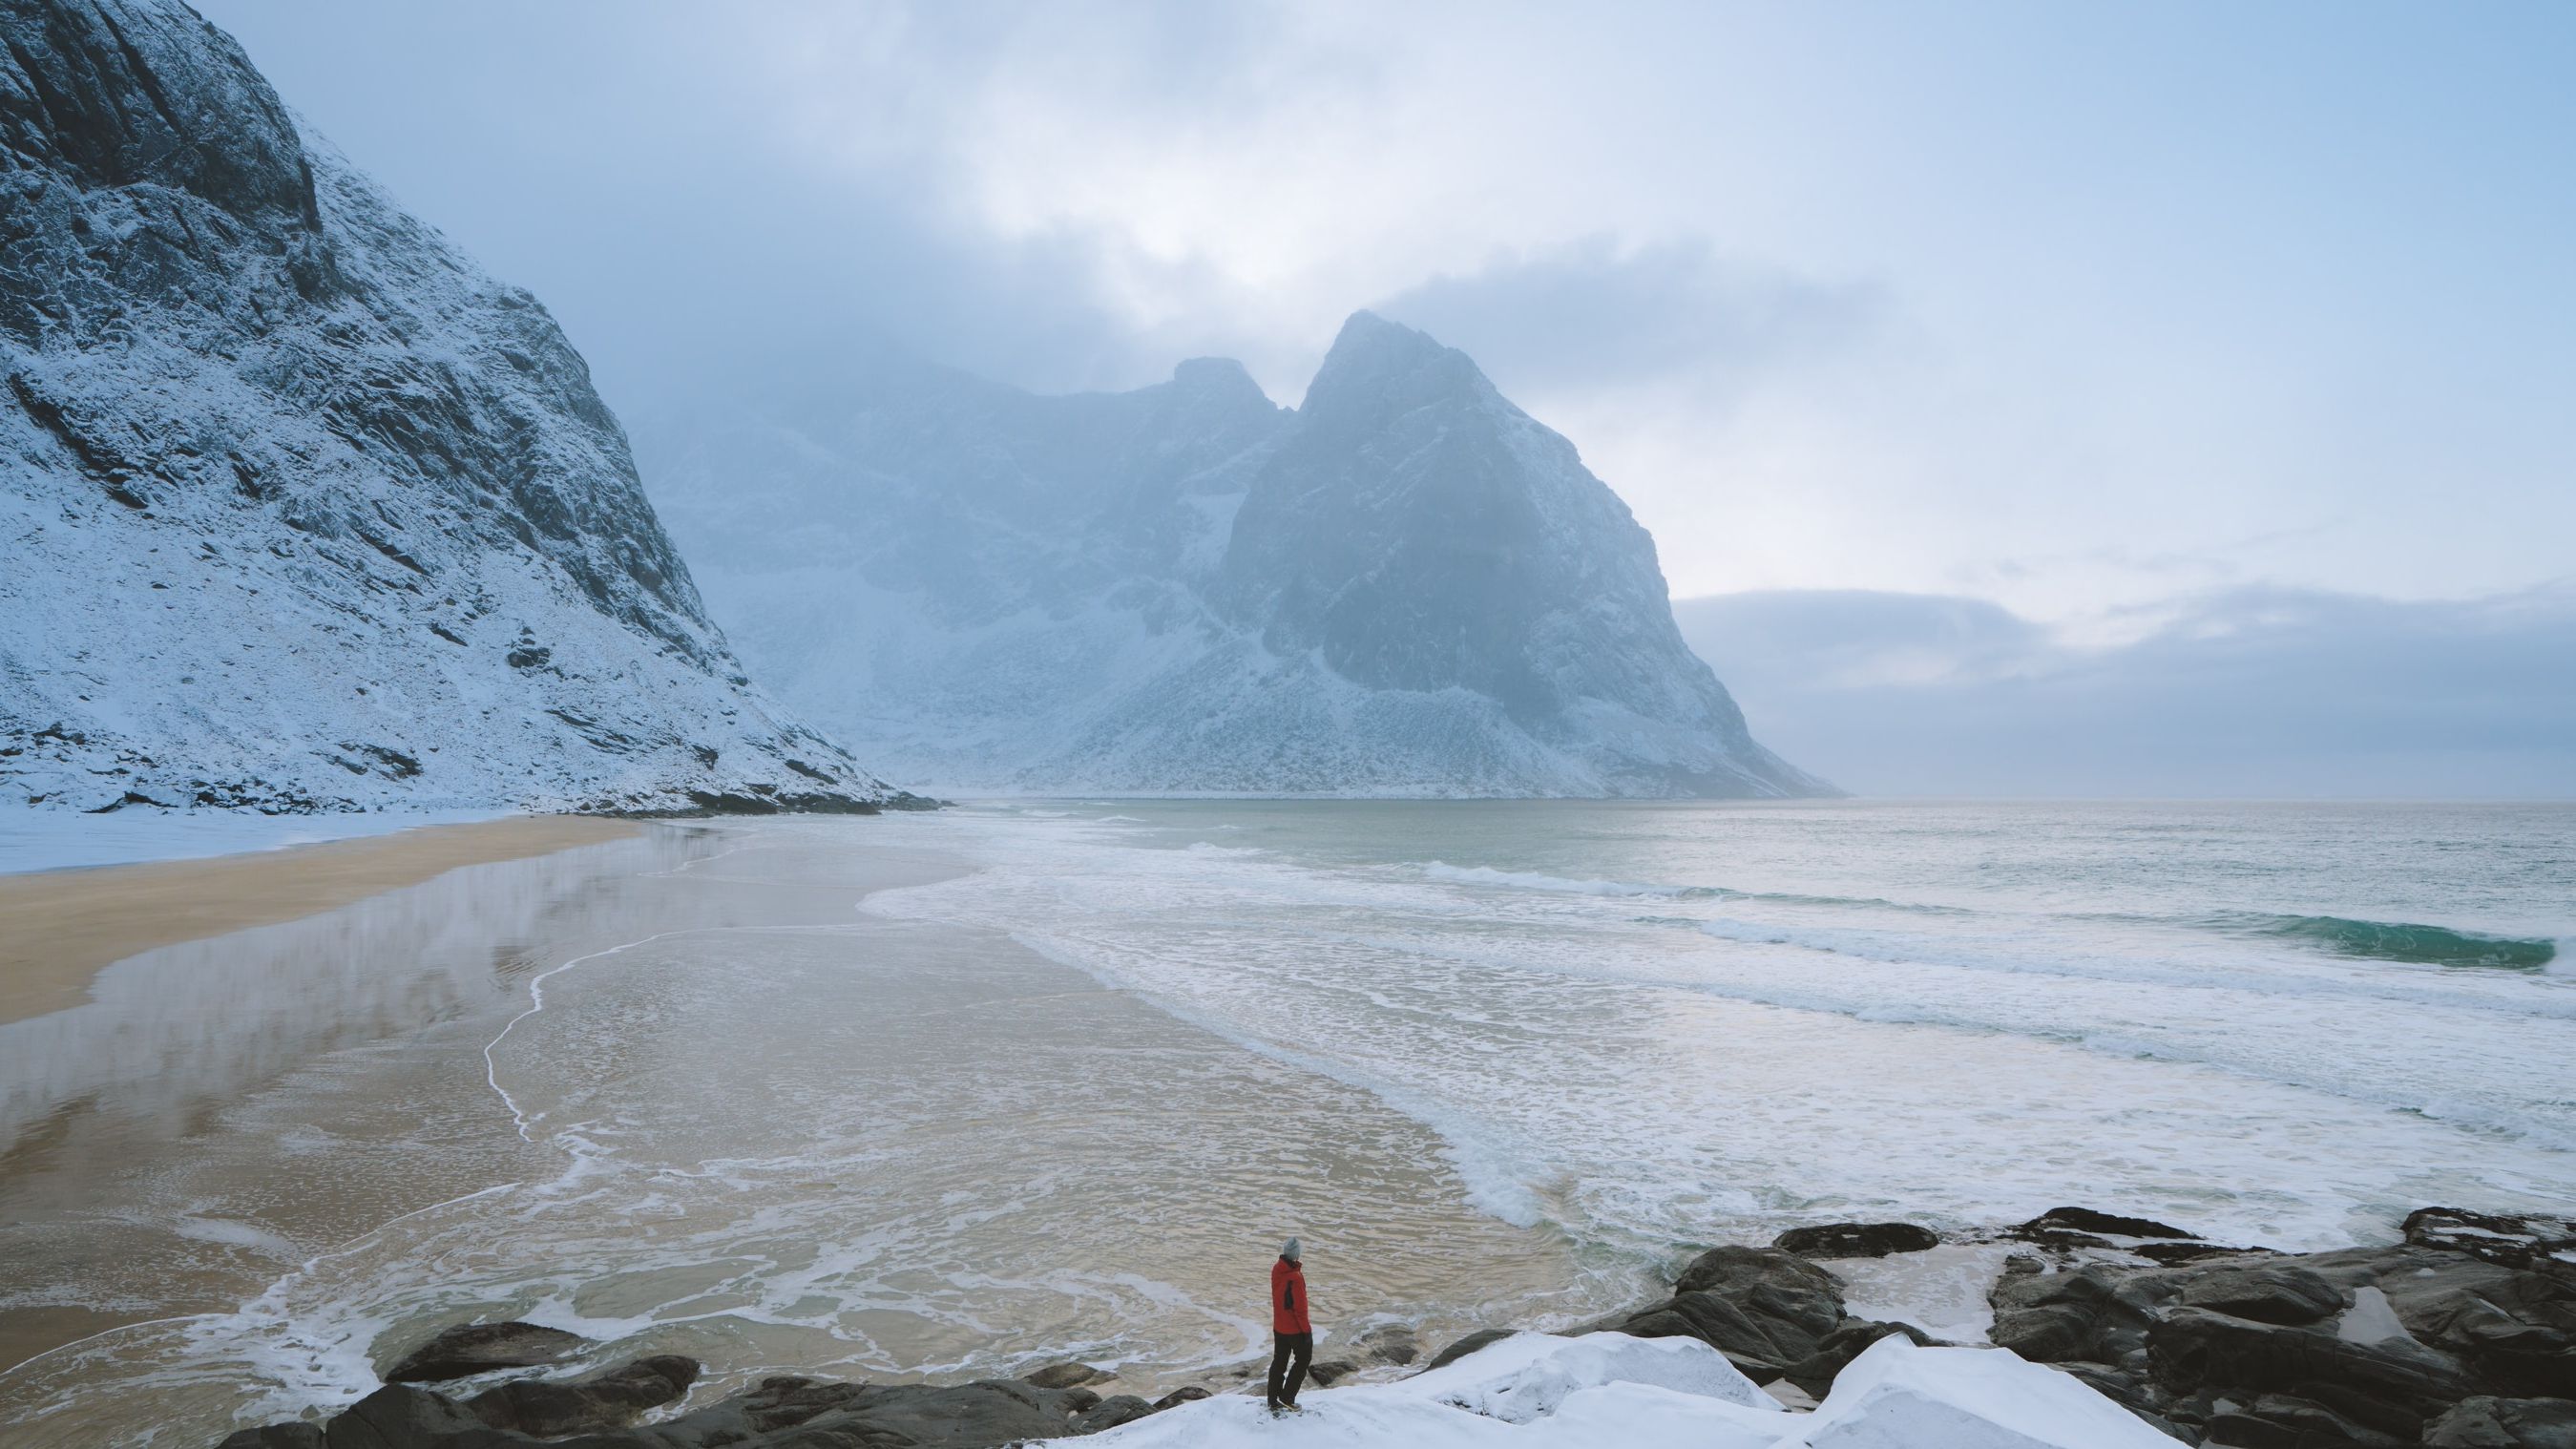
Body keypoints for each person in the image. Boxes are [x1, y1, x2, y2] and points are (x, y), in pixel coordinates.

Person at [1267, 1236, 1312, 1414]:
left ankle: (1272, 1399)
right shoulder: (1295, 1278)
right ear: (1296, 1254)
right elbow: (1300, 1309)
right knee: (1303, 1359)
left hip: (1279, 1326)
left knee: (1279, 1361)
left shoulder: (1277, 1269)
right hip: (1294, 1329)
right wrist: (1306, 1332)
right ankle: (1287, 1398)